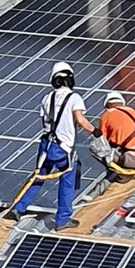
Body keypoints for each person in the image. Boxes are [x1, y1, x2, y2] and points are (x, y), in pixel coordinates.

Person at [35, 60, 96, 231]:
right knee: (67, 181)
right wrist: (95, 131)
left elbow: (44, 121)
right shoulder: (74, 97)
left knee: (38, 176)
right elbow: (80, 119)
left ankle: (19, 208)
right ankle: (62, 220)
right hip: (64, 148)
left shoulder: (47, 97)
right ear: (70, 79)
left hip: (47, 144)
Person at [92, 91, 135, 174]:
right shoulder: (134, 111)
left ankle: (114, 171)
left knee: (95, 147)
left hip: (131, 159)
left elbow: (102, 140)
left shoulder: (107, 115)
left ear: (107, 106)